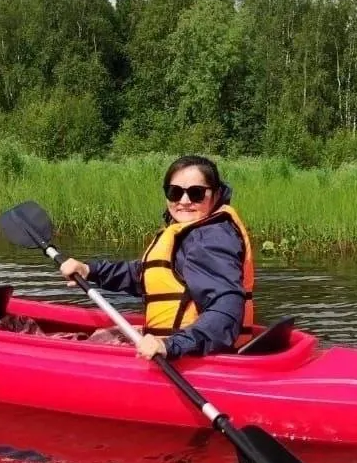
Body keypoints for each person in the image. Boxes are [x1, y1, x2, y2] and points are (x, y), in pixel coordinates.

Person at [58, 154, 256, 361]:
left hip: (190, 357)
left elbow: (226, 306)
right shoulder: (192, 232)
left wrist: (171, 345)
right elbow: (146, 275)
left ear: (214, 195)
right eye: (175, 192)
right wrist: (91, 270)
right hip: (182, 349)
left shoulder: (209, 238)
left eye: (196, 193)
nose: (184, 201)